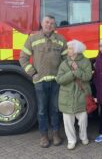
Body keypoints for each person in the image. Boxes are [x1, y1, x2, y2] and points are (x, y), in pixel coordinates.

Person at [19, 15, 67, 148]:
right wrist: (32, 73)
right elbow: (23, 58)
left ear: (55, 25)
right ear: (42, 23)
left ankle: (56, 134)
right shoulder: (32, 39)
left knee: (55, 109)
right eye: (47, 22)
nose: (49, 25)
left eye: (52, 23)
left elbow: (66, 61)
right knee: (41, 110)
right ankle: (44, 136)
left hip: (56, 81)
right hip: (40, 81)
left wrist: (63, 75)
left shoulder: (61, 40)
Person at [56, 40, 92, 150]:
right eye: (68, 48)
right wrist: (72, 73)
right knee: (68, 122)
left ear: (76, 50)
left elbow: (88, 77)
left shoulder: (86, 62)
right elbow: (59, 80)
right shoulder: (64, 63)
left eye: (70, 49)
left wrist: (77, 70)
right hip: (66, 96)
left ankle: (83, 137)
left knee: (83, 120)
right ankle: (71, 141)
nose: (68, 50)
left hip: (81, 95)